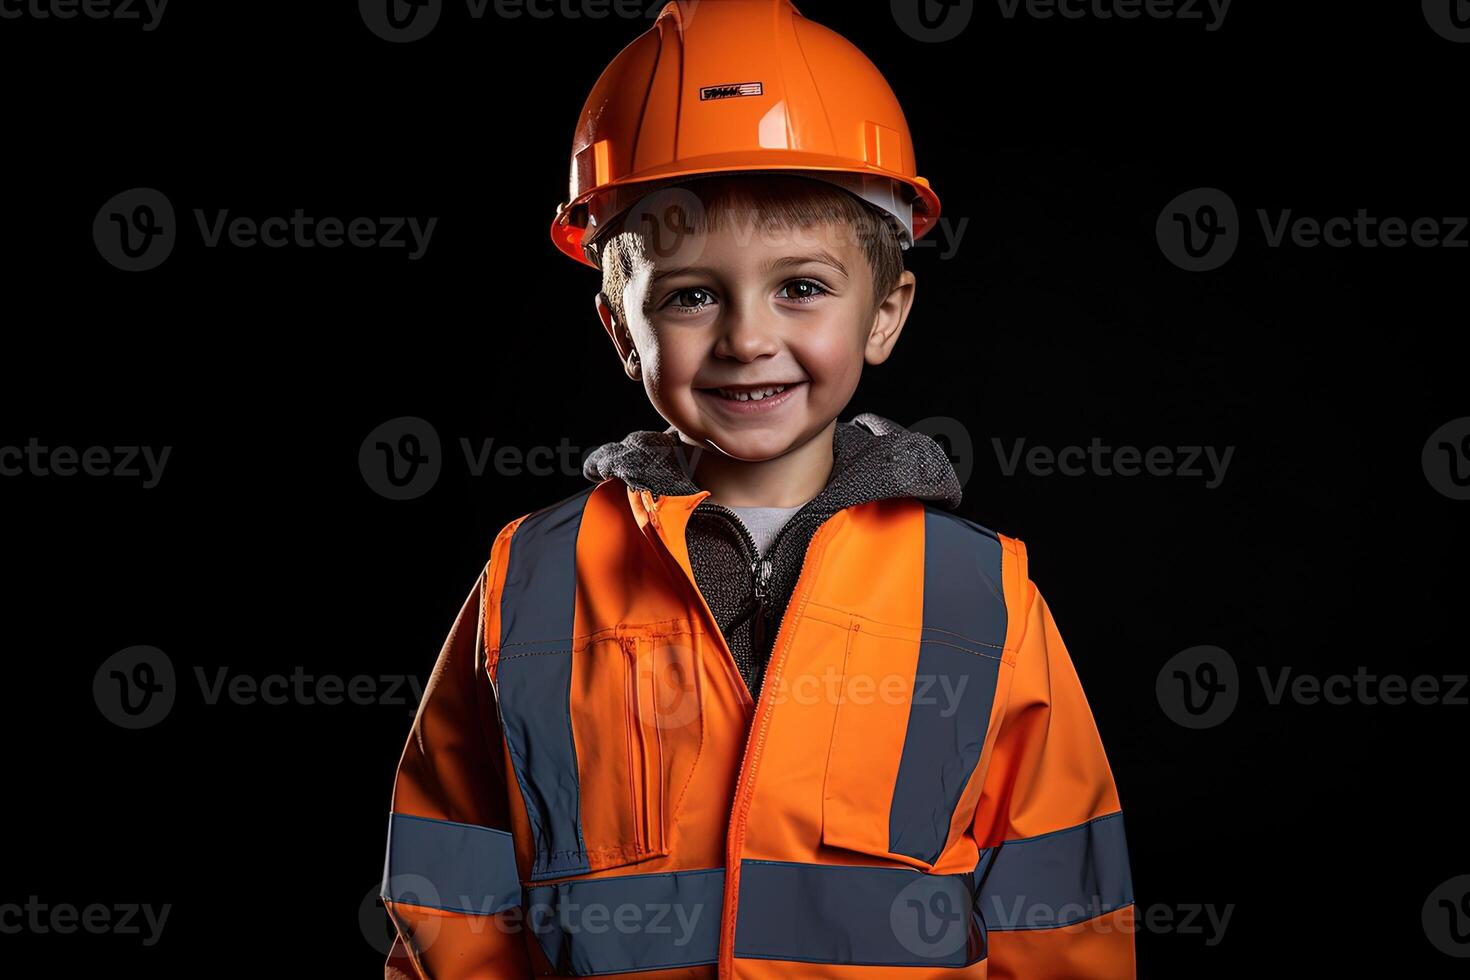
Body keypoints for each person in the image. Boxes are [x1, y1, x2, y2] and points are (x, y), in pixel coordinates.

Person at [380, 2, 1134, 977]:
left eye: (802, 287)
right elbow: (450, 899)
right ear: (619, 327)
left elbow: (1062, 910)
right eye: (692, 294)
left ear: (885, 313)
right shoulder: (530, 579)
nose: (746, 338)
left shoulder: (980, 592)